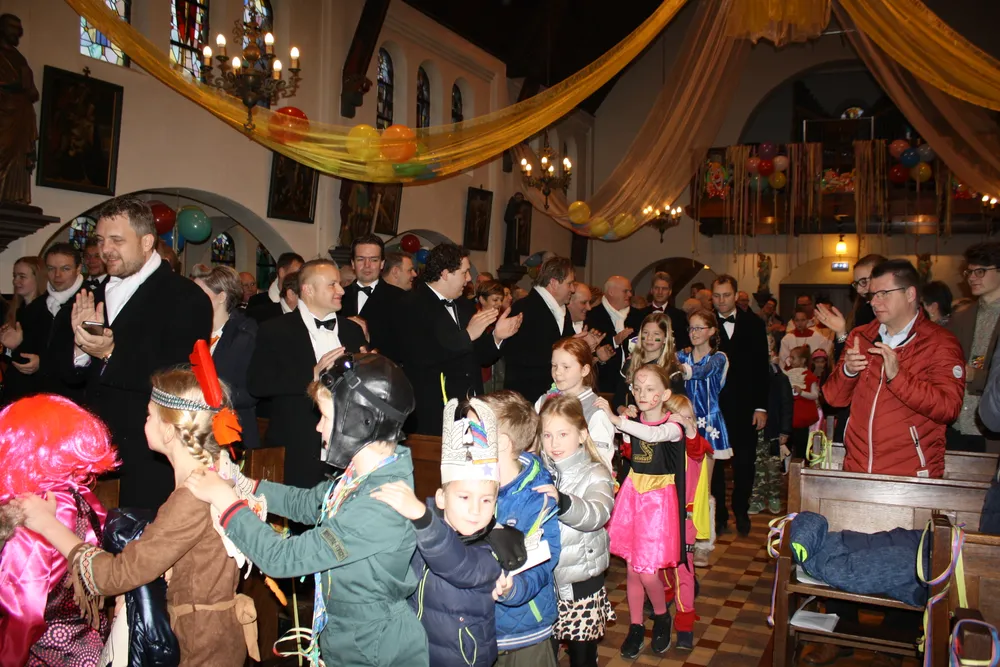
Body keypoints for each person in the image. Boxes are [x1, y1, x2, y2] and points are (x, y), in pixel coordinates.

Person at [185, 352, 428, 667]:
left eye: (325, 417)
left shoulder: (377, 505)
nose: (318, 428)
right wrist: (244, 485)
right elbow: (309, 503)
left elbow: (282, 558)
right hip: (351, 637)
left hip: (375, 649)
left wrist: (225, 502)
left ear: (360, 422)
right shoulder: (361, 477)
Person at [20, 365, 256, 666]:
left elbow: (113, 576)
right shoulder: (216, 474)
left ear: (169, 431)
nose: (144, 421)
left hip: (200, 646)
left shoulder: (192, 497)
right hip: (216, 636)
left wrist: (46, 524)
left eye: (149, 415)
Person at [62, 195, 213, 510]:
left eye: (117, 240)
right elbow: (67, 377)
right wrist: (81, 347)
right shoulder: (91, 294)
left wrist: (111, 354)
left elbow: (177, 377)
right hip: (93, 448)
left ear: (147, 242)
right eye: (101, 240)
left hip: (147, 451)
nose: (105, 250)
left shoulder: (185, 297)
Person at [372, 397, 516, 667]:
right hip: (418, 653)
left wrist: (422, 518)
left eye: (486, 500)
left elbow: (456, 564)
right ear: (441, 498)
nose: (476, 510)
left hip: (464, 659)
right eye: (464, 497)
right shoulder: (425, 530)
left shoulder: (492, 548)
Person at [0, 394, 118, 666]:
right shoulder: (83, 497)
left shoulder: (34, 511)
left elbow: (23, 612)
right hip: (88, 643)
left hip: (46, 651)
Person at [823, 259, 964, 477]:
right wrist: (848, 371)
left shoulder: (940, 342)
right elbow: (833, 399)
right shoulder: (861, 336)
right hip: (858, 469)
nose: (874, 302)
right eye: (873, 295)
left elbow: (948, 408)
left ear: (910, 294)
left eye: (884, 294)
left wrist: (898, 377)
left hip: (910, 474)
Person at [595, 366, 690, 658]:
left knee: (647, 573)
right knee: (632, 569)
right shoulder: (632, 422)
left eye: (650, 389)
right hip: (633, 497)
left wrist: (618, 420)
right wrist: (621, 424)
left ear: (665, 394)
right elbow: (630, 446)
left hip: (658, 503)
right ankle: (635, 626)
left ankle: (661, 616)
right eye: (637, 388)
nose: (642, 394)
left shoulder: (673, 426)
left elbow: (654, 434)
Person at [248, 259, 367, 489]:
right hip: (298, 447)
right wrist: (311, 374)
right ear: (308, 289)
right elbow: (257, 384)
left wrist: (371, 367)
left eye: (339, 284)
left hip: (347, 448)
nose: (341, 290)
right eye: (332, 284)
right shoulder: (275, 330)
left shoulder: (352, 330)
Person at [398, 245, 521, 435]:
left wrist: (497, 336)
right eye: (464, 272)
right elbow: (422, 356)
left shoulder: (464, 305)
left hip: (470, 406)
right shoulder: (411, 305)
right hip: (434, 410)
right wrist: (468, 335)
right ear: (445, 273)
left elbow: (480, 356)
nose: (469, 278)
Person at [477, 390, 561, 667]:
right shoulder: (470, 487)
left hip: (525, 634)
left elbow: (544, 563)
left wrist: (513, 589)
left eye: (473, 430)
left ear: (501, 443)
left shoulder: (537, 499)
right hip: (480, 629)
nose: (464, 437)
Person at [536, 394, 615, 667]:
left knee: (582, 659)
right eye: (547, 435)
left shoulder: (596, 473)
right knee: (546, 657)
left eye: (563, 434)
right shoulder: (538, 471)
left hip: (581, 583)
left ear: (581, 435)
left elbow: (596, 514)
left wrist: (563, 501)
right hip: (544, 582)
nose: (554, 443)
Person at [712, 275, 768, 537]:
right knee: (714, 466)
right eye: (717, 296)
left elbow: (761, 368)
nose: (721, 300)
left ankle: (741, 511)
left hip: (745, 406)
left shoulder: (754, 323)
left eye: (726, 295)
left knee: (745, 464)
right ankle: (719, 516)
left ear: (736, 295)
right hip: (714, 407)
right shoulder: (706, 324)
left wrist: (761, 406)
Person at [660, 393, 711, 651]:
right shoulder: (662, 447)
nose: (683, 423)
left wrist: (689, 429)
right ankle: (666, 595)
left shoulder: (695, 447)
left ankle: (684, 625)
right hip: (660, 518)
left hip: (685, 521)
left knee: (684, 572)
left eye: (689, 417)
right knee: (660, 567)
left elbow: (697, 448)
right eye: (676, 419)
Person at [677, 309, 728, 563]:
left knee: (702, 486)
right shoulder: (681, 355)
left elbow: (702, 371)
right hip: (681, 424)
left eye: (699, 328)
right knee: (682, 484)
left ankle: (703, 543)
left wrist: (677, 367)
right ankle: (682, 536)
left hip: (708, 427)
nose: (693, 332)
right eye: (691, 328)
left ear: (711, 331)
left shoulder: (718, 358)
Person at [193, 265, 260, 450]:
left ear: (221, 297)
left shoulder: (246, 334)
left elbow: (252, 392)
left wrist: (213, 395)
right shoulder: (192, 329)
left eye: (200, 293)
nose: (192, 298)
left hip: (232, 433)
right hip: (197, 429)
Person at [947, 242, 1000, 453]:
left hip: (992, 425)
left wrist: (974, 376)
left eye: (980, 271)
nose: (972, 278)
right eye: (969, 272)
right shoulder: (962, 317)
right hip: (958, 422)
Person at [535, 337, 616, 472]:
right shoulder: (543, 402)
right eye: (554, 366)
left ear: (584, 370)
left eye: (566, 367)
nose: (557, 372)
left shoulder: (595, 410)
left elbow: (602, 463)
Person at [504, 256, 577, 403]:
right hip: (527, 398)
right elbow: (517, 356)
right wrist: (564, 348)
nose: (573, 289)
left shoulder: (563, 311)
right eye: (570, 284)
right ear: (554, 283)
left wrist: (581, 344)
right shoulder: (524, 308)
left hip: (553, 396)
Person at [341, 234, 404, 361]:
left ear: (382, 264)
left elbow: (406, 346)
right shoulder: (338, 296)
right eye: (360, 259)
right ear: (353, 263)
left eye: (374, 260)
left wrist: (370, 341)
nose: (367, 265)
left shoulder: (401, 299)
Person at [749, 339, 792, 517]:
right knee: (755, 466)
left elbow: (787, 406)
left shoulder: (780, 378)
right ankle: (756, 498)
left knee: (773, 466)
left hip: (773, 429)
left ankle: (774, 497)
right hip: (753, 430)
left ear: (772, 351)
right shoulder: (749, 375)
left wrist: (785, 430)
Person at [39, 243, 87, 402]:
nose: (57, 275)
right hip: (42, 393)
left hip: (76, 396)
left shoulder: (91, 301)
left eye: (65, 269)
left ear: (78, 269)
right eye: (51, 269)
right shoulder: (37, 306)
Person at [0, 14, 38, 205]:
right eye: (12, 27)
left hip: (21, 115)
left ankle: (14, 196)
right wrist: (15, 85)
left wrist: (28, 88)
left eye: (19, 28)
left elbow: (33, 92)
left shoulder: (19, 59)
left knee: (19, 156)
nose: (17, 32)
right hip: (4, 115)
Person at [615, 312, 685, 414]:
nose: (649, 338)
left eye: (656, 334)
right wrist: (624, 410)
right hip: (631, 421)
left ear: (665, 339)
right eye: (645, 333)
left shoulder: (671, 369)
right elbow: (617, 399)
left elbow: (680, 405)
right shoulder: (630, 364)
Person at [0, 256, 48, 405]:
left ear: (38, 278)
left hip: (32, 389)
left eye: (22, 276)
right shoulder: (18, 310)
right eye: (14, 276)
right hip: (15, 386)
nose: (16, 281)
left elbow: (30, 358)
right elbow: (8, 359)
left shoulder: (45, 310)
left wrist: (16, 346)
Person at [585, 275, 643, 393]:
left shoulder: (639, 316)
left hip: (635, 383)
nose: (630, 295)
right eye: (625, 291)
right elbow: (588, 351)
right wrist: (614, 341)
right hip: (603, 384)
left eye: (630, 291)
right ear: (611, 292)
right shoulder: (592, 316)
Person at [784, 345, 820, 460]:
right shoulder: (787, 373)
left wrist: (802, 392)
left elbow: (815, 395)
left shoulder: (809, 376)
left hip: (802, 418)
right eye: (790, 357)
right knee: (786, 445)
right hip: (789, 417)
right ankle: (785, 467)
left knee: (801, 445)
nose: (790, 360)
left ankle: (801, 465)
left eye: (793, 358)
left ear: (803, 360)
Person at [639, 272, 691, 349]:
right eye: (657, 288)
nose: (660, 292)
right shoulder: (639, 314)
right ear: (651, 290)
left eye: (664, 289)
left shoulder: (680, 316)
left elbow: (683, 342)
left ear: (670, 292)